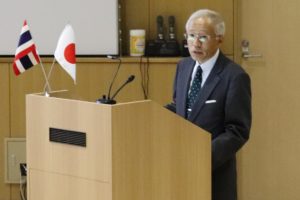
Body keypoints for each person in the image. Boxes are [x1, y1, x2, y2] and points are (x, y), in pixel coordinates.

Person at [172, 9, 251, 200]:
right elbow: (179, 107)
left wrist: (202, 157)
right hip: (179, 166)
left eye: (203, 37)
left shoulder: (234, 76)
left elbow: (237, 131)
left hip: (214, 172)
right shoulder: (183, 66)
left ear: (220, 39)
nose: (195, 43)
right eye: (191, 36)